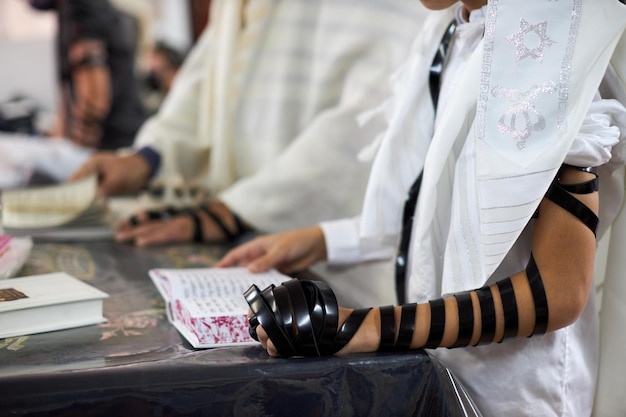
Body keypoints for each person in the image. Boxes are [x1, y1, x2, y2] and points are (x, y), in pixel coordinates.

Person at [218, 0, 626, 416]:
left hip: (517, 396)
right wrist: (322, 241)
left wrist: (362, 327)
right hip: (444, 373)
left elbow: (559, 292)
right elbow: (446, 217)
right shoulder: (453, 32)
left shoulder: (553, 51)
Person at [70, 0, 428, 306]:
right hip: (247, 239)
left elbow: (367, 121)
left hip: (339, 269)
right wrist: (147, 157)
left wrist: (233, 211)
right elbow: (210, 73)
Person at [27, 0, 146, 150]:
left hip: (111, 147)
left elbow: (94, 100)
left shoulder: (79, 6)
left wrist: (75, 156)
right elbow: (70, 93)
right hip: (119, 140)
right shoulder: (70, 9)